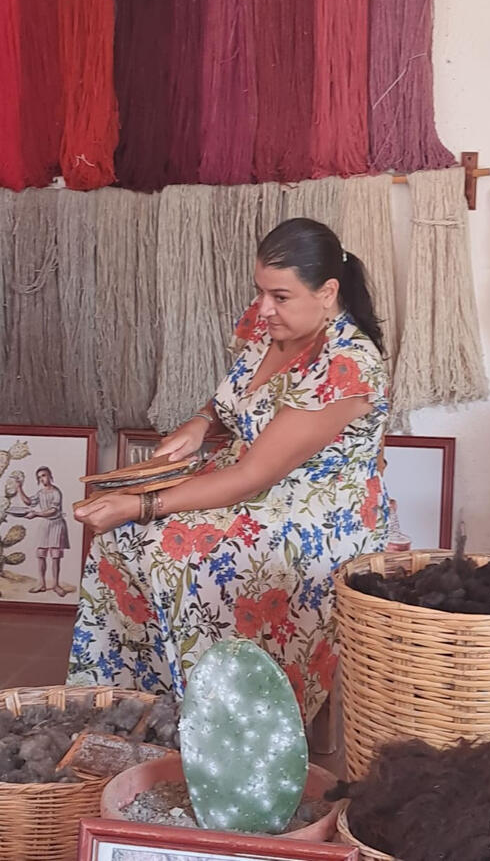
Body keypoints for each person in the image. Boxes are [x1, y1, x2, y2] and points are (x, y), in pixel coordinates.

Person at [67, 218, 390, 722]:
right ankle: (136, 712)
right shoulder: (269, 322)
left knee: (175, 559)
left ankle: (221, 725)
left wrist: (143, 503)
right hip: (249, 478)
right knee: (118, 543)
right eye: (260, 292)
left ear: (328, 292)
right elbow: (233, 399)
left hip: (318, 511)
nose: (263, 309)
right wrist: (199, 423)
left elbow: (254, 476)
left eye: (280, 296)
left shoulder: (346, 363)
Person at [16, 466, 70, 597]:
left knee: (55, 556)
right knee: (41, 555)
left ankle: (56, 584)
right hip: (45, 525)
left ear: (50, 476)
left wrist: (37, 514)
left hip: (56, 524)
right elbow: (29, 502)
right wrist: (19, 488)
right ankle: (41, 584)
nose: (42, 479)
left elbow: (54, 510)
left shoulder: (56, 492)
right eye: (40, 477)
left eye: (44, 475)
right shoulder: (40, 493)